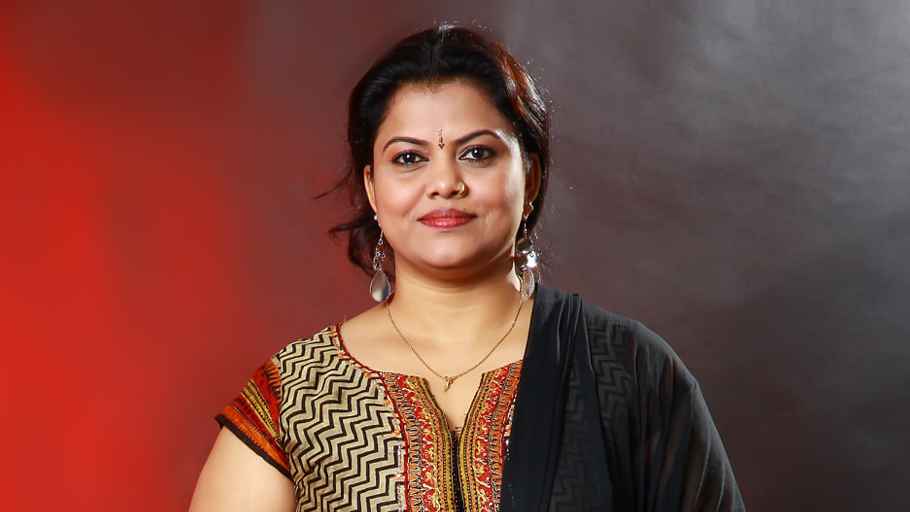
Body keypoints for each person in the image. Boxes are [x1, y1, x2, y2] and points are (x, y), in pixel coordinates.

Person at [189, 23, 746, 512]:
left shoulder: (627, 370)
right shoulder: (299, 393)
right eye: (409, 158)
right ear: (373, 189)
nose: (445, 183)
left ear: (530, 176)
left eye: (477, 153)